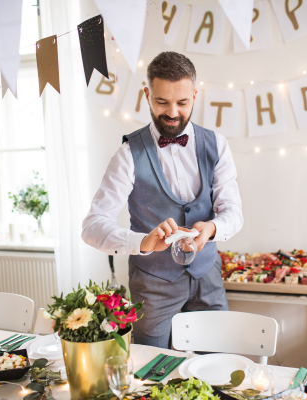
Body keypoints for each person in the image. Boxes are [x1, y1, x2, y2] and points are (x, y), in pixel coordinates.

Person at [82, 51, 243, 348]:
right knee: (151, 372)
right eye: (161, 102)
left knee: (219, 365)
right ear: (147, 94)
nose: (172, 112)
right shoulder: (128, 155)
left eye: (182, 102)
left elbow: (232, 211)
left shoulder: (217, 145)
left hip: (207, 275)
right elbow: (92, 226)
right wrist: (141, 243)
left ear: (195, 95)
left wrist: (212, 229)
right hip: (153, 285)